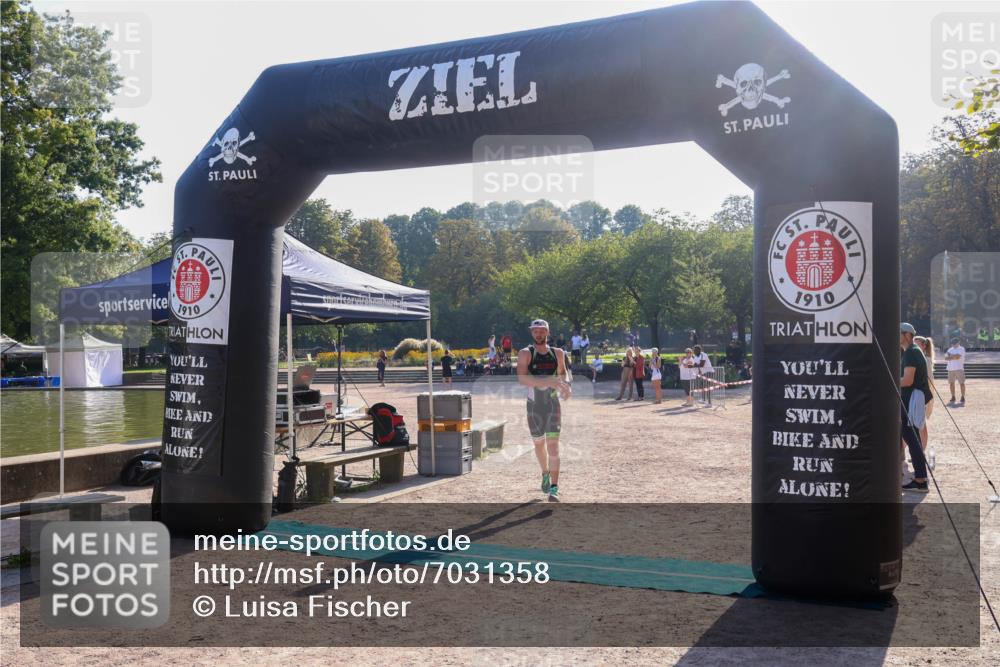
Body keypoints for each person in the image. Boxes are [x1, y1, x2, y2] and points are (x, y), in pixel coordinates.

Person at [518, 319, 571, 500]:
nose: (539, 334)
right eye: (535, 331)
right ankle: (545, 472)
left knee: (553, 447)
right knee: (539, 444)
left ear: (548, 332)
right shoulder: (526, 353)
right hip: (534, 406)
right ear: (532, 333)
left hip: (552, 405)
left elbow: (563, 373)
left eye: (542, 331)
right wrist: (547, 381)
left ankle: (554, 488)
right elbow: (523, 379)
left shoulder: (558, 353)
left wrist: (567, 386)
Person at [900, 323, 931, 493]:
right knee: (912, 439)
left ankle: (920, 480)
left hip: (910, 399)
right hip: (911, 398)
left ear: (907, 335)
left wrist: (886, 380)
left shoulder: (911, 352)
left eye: (898, 333)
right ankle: (920, 478)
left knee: (912, 440)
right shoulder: (910, 351)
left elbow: (907, 380)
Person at [914, 336, 937, 469]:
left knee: (921, 425)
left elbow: (928, 380)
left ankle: (921, 451)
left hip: (922, 395)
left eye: (917, 344)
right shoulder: (920, 358)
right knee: (917, 425)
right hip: (919, 395)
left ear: (923, 346)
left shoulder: (925, 359)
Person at [945, 337, 966, 404]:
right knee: (951, 383)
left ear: (958, 343)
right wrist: (953, 356)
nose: (954, 345)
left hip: (959, 368)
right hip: (950, 368)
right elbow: (946, 358)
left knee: (961, 383)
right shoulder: (950, 349)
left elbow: (958, 357)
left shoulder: (961, 348)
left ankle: (962, 396)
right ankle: (953, 396)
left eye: (955, 343)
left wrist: (950, 356)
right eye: (953, 343)